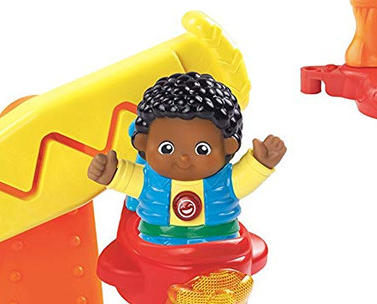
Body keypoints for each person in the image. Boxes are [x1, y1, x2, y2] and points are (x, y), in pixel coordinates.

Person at [88, 72, 286, 244]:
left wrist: (261, 162)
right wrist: (110, 174)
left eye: (202, 149)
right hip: (158, 248)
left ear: (228, 146)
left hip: (219, 247)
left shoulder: (224, 182)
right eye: (167, 148)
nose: (183, 158)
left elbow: (245, 178)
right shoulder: (149, 181)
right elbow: (126, 178)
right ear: (143, 144)